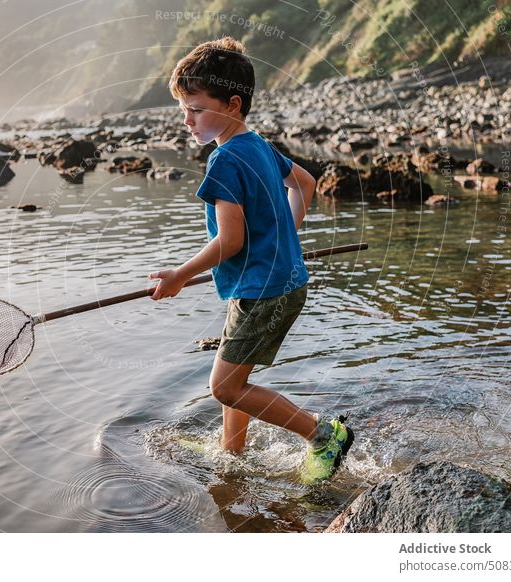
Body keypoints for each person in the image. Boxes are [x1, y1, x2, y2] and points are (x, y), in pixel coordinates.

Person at [148, 37, 353, 484]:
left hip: (263, 289)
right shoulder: (257, 145)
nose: (187, 120)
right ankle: (232, 451)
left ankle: (322, 435)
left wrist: (180, 275)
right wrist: (284, 238)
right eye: (183, 109)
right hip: (276, 282)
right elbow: (306, 183)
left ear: (233, 103)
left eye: (196, 108)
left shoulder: (223, 161)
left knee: (224, 385)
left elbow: (232, 241)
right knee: (232, 372)